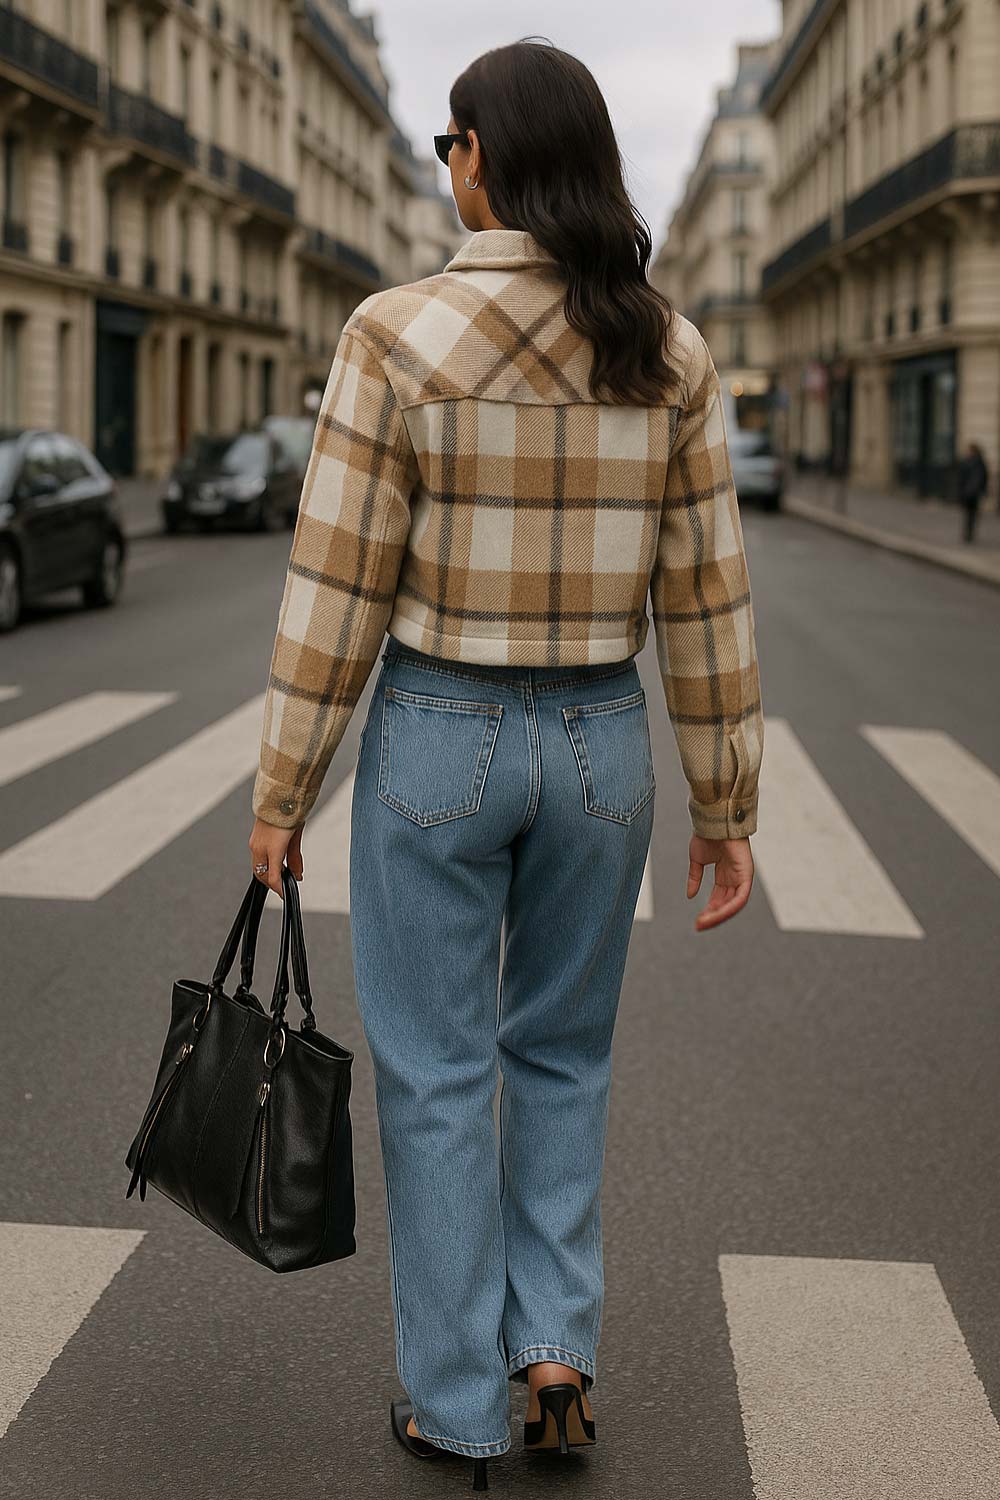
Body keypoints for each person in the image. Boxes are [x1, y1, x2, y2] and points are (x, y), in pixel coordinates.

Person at [248, 37, 763, 1494]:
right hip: (602, 739)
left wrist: (282, 791)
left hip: (439, 738)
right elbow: (708, 600)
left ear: (481, 155)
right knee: (562, 1057)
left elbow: (335, 589)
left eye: (447, 146)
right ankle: (555, 1358)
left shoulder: (396, 336)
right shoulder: (664, 351)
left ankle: (457, 1404)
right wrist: (726, 805)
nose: (447, 170)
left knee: (431, 1073)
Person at [957, 441, 989, 544]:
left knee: (969, 514)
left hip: (970, 493)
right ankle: (969, 533)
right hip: (973, 493)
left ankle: (968, 534)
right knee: (971, 514)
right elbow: (984, 478)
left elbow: (962, 478)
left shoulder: (969, 462)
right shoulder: (979, 462)